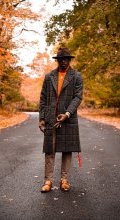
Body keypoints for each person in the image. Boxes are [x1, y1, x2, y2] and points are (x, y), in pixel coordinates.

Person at [39, 47, 83, 192]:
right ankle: (48, 181)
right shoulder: (49, 76)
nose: (63, 62)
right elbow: (43, 98)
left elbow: (78, 97)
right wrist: (42, 117)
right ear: (57, 61)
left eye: (66, 59)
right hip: (51, 118)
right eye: (61, 59)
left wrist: (68, 113)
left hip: (68, 118)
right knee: (49, 150)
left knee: (67, 150)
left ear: (69, 60)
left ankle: (64, 180)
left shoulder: (76, 76)